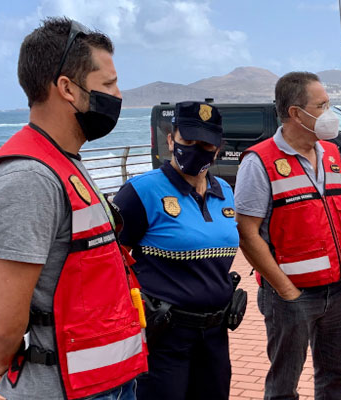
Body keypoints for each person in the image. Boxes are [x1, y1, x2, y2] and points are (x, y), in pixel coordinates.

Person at [0, 17, 146, 399]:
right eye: (108, 85)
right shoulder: (29, 178)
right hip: (66, 390)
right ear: (67, 88)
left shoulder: (64, 160)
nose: (119, 95)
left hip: (103, 382)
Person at [235, 72, 341, 399]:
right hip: (290, 298)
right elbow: (247, 233)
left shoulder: (333, 155)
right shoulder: (259, 162)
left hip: (338, 293)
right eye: (322, 105)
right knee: (283, 386)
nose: (330, 112)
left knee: (334, 377)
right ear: (295, 113)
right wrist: (286, 290)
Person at [113, 101, 239, 399]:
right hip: (165, 335)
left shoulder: (225, 191)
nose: (197, 149)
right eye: (188, 141)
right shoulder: (140, 192)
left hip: (215, 334)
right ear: (171, 139)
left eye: (206, 144)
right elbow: (111, 259)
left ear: (218, 147)